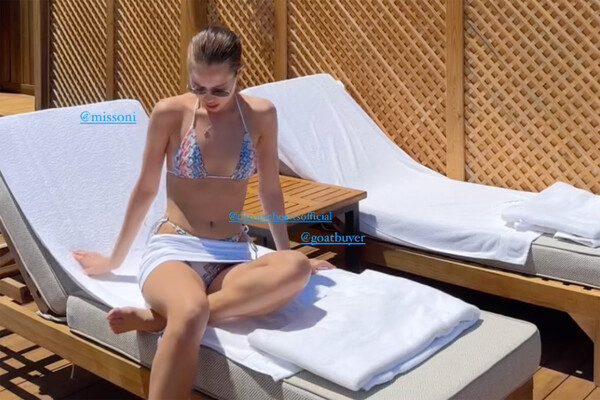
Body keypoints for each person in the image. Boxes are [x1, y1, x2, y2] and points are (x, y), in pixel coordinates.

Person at [72, 25, 335, 400]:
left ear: (238, 74)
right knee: (191, 310)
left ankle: (159, 319)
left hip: (232, 254)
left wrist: (286, 251)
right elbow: (146, 189)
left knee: (295, 268)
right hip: (175, 250)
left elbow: (269, 189)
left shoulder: (261, 115)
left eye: (219, 90)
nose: (208, 98)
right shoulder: (169, 113)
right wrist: (113, 260)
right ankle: (181, 313)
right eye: (199, 87)